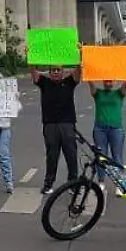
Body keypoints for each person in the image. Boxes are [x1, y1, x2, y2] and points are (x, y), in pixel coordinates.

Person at [32, 65, 80, 194]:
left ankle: (73, 184)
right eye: (53, 70)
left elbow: (78, 71)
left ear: (63, 72)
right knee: (52, 156)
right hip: (50, 125)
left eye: (58, 70)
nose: (56, 72)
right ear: (50, 72)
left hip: (67, 124)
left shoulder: (69, 82)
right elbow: (34, 74)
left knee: (71, 155)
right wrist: (30, 58)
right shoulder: (44, 83)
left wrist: (80, 55)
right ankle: (48, 184)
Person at [90, 79, 126, 180]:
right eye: (106, 81)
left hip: (116, 129)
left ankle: (120, 182)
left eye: (110, 81)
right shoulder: (97, 93)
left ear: (114, 82)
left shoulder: (119, 93)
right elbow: (90, 81)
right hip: (100, 129)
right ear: (103, 82)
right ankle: (101, 181)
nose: (108, 84)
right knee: (101, 157)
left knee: (117, 157)